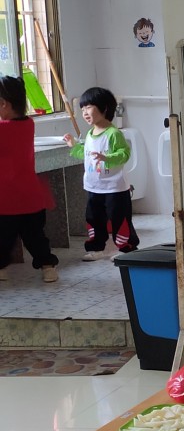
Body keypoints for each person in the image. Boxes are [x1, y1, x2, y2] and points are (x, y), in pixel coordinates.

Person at [62, 87, 139, 260]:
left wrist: (107, 158)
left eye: (89, 107)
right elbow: (87, 154)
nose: (85, 112)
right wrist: (74, 146)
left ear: (104, 108)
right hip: (94, 187)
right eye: (82, 109)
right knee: (94, 218)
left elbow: (124, 154)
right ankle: (96, 248)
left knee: (119, 218)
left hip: (115, 188)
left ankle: (127, 249)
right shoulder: (90, 133)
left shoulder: (113, 133)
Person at [0, 75, 59, 284]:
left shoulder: (3, 129)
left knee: (3, 239)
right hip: (31, 197)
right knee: (35, 237)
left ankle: (1, 269)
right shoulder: (28, 124)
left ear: (4, 104)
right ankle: (48, 267)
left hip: (6, 199)